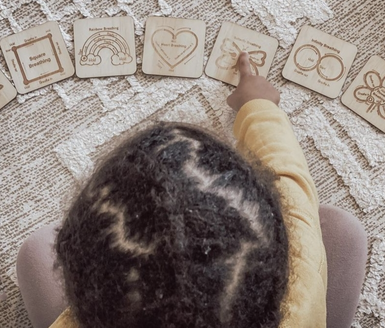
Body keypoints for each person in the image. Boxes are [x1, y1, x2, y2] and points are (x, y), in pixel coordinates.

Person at [17, 53, 367, 328]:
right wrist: (258, 105)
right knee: (342, 230)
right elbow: (289, 181)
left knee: (35, 250)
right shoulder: (299, 287)